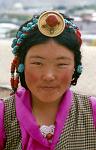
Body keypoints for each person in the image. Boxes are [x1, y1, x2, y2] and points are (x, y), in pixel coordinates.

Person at [0, 10, 96, 150]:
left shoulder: (92, 112)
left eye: (61, 64)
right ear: (21, 64)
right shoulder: (3, 116)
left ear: (76, 67)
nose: (49, 76)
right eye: (38, 63)